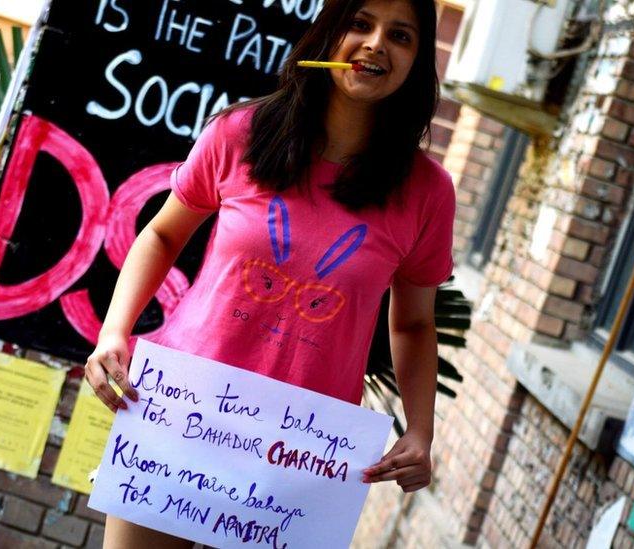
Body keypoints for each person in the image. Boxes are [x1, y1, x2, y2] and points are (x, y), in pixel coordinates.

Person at [84, 0, 455, 546]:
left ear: (417, 63)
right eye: (360, 23)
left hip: (302, 455)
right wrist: (113, 332)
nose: (377, 43)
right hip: (179, 418)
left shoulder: (426, 191)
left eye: (400, 36)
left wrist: (420, 430)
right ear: (328, 35)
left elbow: (414, 325)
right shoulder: (239, 132)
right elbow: (162, 234)